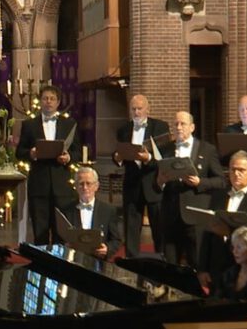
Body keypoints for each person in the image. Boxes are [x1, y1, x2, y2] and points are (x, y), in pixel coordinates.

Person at [197, 151, 247, 293]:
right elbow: (208, 233)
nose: (236, 174)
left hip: (245, 269)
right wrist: (202, 268)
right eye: (233, 169)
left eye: (241, 170)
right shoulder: (219, 195)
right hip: (217, 266)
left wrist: (229, 232)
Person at [155, 111, 225, 266]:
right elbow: (156, 184)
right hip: (170, 215)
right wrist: (160, 181)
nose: (179, 127)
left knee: (196, 263)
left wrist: (200, 182)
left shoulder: (207, 150)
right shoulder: (165, 149)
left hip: (195, 216)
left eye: (183, 124)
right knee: (170, 265)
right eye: (176, 124)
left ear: (192, 127)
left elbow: (221, 181)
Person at [16, 85, 82, 245]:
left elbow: (78, 152)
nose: (48, 102)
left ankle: (60, 267)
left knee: (62, 234)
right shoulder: (29, 125)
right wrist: (31, 154)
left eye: (52, 99)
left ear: (58, 102)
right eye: (45, 98)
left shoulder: (69, 124)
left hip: (62, 186)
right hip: (39, 185)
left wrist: (68, 157)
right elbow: (19, 152)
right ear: (40, 101)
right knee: (40, 233)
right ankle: (41, 266)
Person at [113, 94, 169, 257]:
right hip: (132, 184)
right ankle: (131, 262)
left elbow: (164, 156)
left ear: (147, 109)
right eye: (133, 109)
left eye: (139, 108)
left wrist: (148, 158)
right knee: (131, 229)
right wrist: (117, 158)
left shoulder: (160, 127)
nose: (136, 112)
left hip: (153, 184)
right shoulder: (123, 130)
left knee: (159, 227)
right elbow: (117, 153)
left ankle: (162, 261)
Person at [58, 167, 122, 260]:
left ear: (96, 186)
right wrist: (65, 246)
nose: (85, 187)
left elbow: (116, 240)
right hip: (72, 261)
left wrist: (107, 249)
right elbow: (58, 238)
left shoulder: (108, 210)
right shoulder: (66, 210)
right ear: (75, 186)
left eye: (88, 183)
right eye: (81, 184)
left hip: (99, 262)